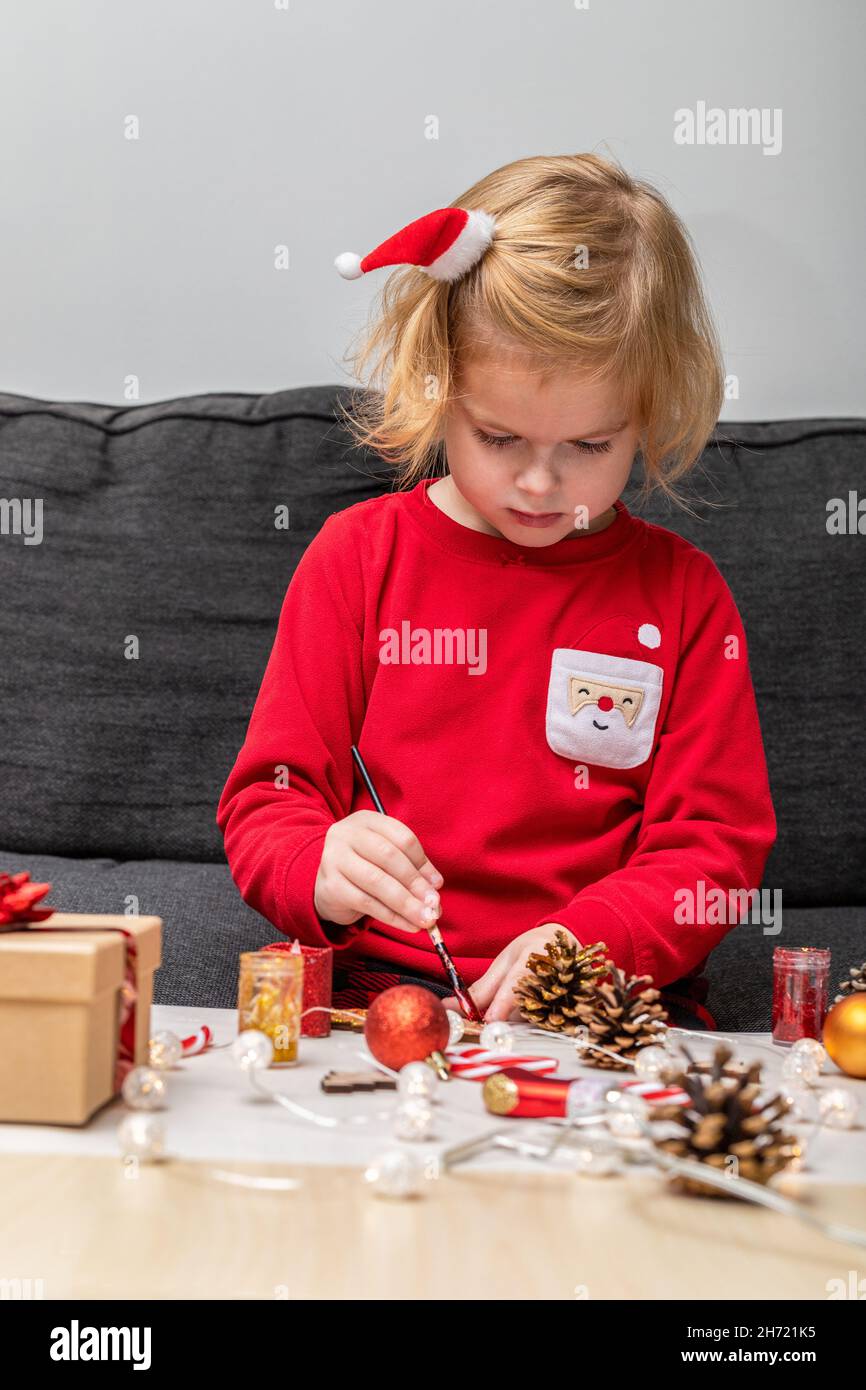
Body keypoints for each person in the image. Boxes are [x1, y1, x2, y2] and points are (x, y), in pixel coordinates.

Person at [216, 153, 776, 1031]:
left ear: (652, 410)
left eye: (590, 446)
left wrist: (596, 939)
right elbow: (268, 801)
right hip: (377, 1009)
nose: (541, 485)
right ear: (437, 388)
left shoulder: (684, 597)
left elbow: (715, 849)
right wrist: (316, 862)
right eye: (499, 436)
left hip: (603, 1012)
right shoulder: (355, 559)